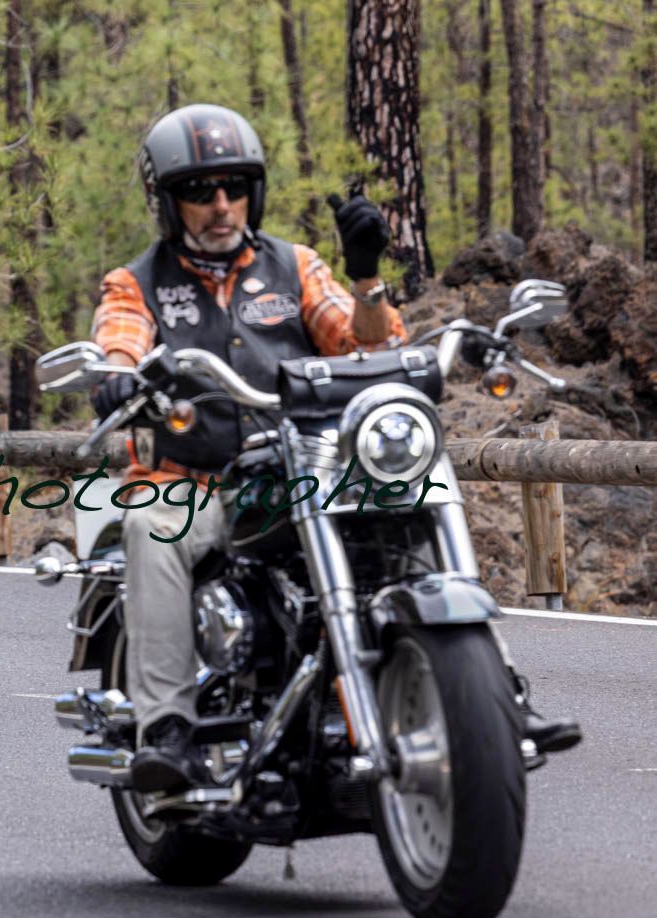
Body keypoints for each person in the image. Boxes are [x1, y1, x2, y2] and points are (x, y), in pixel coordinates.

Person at [89, 104, 580, 794]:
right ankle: (166, 725)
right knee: (150, 525)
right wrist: (118, 375)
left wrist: (367, 275)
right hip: (194, 480)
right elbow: (119, 340)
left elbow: (373, 348)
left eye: (234, 187)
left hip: (306, 467)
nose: (221, 204)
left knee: (410, 502)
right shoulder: (137, 282)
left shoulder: (295, 266)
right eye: (200, 191)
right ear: (167, 201)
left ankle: (494, 690)